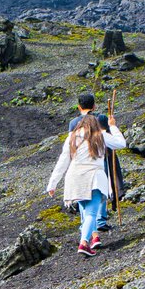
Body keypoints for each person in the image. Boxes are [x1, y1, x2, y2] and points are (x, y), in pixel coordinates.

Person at [47, 108, 125, 257]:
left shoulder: (72, 137)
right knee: (91, 213)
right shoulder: (100, 135)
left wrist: (53, 184)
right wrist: (113, 126)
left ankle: (91, 239)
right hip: (94, 178)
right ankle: (83, 243)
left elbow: (63, 161)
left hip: (74, 180)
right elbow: (121, 143)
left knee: (85, 211)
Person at [71, 92, 124, 226]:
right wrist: (112, 124)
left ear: (79, 107)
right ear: (94, 106)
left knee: (84, 189)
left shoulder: (73, 123)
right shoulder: (100, 119)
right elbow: (109, 137)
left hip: (80, 161)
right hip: (99, 158)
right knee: (101, 187)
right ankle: (100, 220)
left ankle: (87, 223)